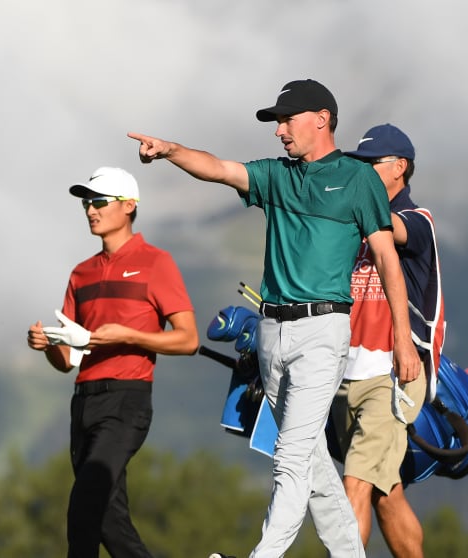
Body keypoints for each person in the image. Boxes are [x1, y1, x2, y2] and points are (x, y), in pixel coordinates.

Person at [129, 78, 420, 558]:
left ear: (322, 119)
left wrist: (403, 342)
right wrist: (170, 150)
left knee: (289, 460)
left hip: (323, 333)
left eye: (287, 120)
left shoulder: (357, 178)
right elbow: (220, 169)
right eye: (277, 122)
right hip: (271, 334)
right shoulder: (277, 175)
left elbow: (389, 261)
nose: (279, 131)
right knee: (313, 461)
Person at [26, 166, 199, 558]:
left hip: (126, 401)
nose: (90, 210)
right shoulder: (80, 274)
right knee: (108, 519)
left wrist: (129, 335)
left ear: (129, 206)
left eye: (99, 202)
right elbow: (68, 359)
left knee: (84, 504)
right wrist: (48, 345)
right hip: (83, 402)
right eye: (87, 203)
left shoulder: (157, 262)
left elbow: (188, 339)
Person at [328, 124, 445, 558]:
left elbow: (391, 226)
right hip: (347, 371)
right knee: (385, 491)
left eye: (371, 163)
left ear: (400, 167)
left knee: (354, 484)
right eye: (358, 164)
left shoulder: (417, 222)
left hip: (393, 373)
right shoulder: (356, 231)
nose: (364, 171)